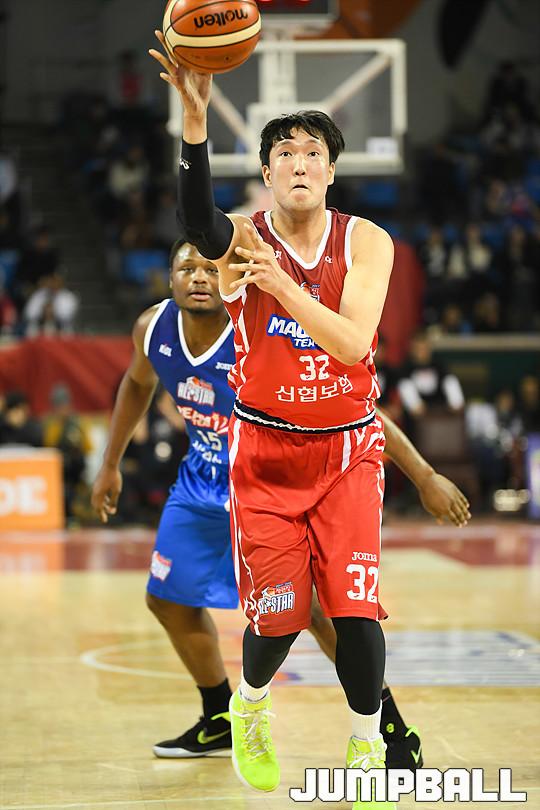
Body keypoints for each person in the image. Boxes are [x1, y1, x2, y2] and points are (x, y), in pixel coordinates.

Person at [149, 41, 468, 806]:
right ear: (266, 173)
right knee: (282, 617)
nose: (299, 162)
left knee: (355, 608)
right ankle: (250, 703)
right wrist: (194, 124)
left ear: (330, 172)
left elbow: (353, 344)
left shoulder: (367, 241)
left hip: (348, 452)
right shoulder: (241, 242)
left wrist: (285, 289)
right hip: (264, 453)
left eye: (312, 153)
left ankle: (367, 746)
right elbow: (196, 218)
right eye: (284, 153)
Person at [92, 239, 470, 776]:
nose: (199, 277)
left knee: (312, 610)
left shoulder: (260, 325)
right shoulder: (151, 329)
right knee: (167, 599)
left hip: (265, 480)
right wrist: (110, 463)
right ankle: (219, 717)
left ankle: (387, 727)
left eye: (210, 268)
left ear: (229, 274)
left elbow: (355, 409)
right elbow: (136, 383)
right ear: (168, 277)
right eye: (186, 268)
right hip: (201, 481)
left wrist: (424, 474)